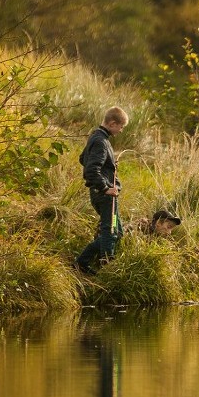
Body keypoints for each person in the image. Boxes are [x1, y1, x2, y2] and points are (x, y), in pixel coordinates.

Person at [74, 106, 128, 274]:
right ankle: (108, 268)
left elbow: (83, 158)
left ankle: (81, 263)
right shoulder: (101, 141)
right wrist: (105, 187)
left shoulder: (96, 137)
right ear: (112, 123)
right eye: (121, 127)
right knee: (110, 230)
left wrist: (108, 166)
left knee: (117, 232)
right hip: (105, 197)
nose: (121, 131)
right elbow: (91, 170)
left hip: (102, 195)